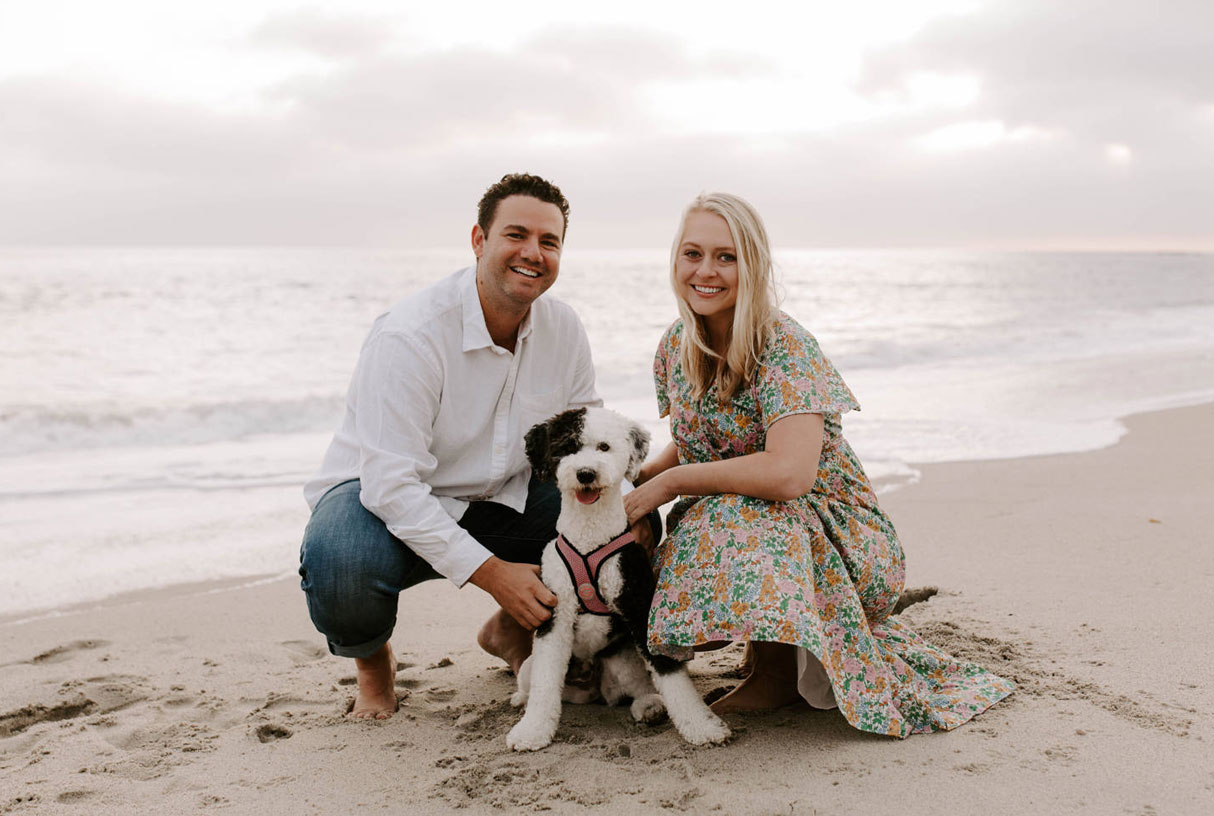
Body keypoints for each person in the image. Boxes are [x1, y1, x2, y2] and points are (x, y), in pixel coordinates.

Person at [623, 193, 1013, 737]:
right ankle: (766, 655)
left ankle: (777, 676)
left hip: (840, 529)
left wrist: (671, 484)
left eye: (726, 257)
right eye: (693, 253)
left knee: (731, 514)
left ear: (752, 265)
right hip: (758, 523)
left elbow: (789, 475)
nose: (705, 271)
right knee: (677, 544)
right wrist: (633, 492)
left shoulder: (784, 345)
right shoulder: (676, 345)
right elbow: (693, 441)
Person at [300, 173, 649, 720]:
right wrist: (492, 572)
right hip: (378, 500)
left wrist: (632, 501)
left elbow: (587, 441)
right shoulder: (410, 336)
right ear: (479, 240)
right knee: (340, 562)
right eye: (516, 235)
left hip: (506, 496)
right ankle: (374, 669)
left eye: (549, 242)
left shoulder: (564, 328)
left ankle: (512, 633)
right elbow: (392, 486)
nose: (533, 253)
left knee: (629, 522)